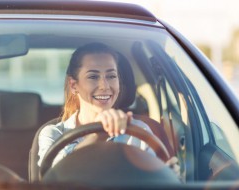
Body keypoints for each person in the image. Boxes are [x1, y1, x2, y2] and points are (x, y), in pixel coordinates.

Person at [37, 42, 180, 176]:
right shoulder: (53, 134)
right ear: (74, 85)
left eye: (111, 76)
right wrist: (99, 134)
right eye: (93, 76)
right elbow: (54, 178)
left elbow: (152, 180)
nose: (104, 86)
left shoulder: (139, 131)